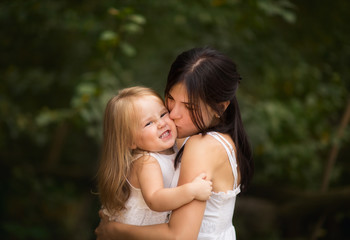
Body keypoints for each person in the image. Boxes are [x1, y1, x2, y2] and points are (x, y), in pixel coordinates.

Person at [95, 47, 254, 239]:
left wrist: (114, 230)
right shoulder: (192, 136)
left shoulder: (202, 146)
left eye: (189, 107)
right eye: (170, 99)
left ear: (219, 108)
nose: (172, 114)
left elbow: (180, 237)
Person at [97, 86, 213, 226]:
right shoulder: (147, 162)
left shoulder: (173, 148)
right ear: (130, 141)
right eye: (148, 123)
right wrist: (192, 191)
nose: (161, 123)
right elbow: (155, 199)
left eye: (163, 114)